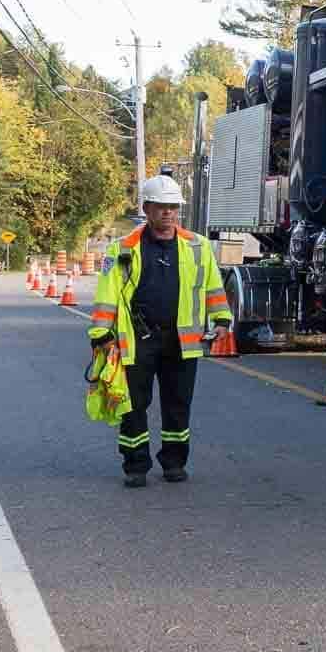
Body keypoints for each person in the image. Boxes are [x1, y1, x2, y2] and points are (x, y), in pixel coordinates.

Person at [87, 175, 232, 487]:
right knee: (133, 405)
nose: (168, 213)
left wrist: (222, 320)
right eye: (161, 207)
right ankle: (136, 465)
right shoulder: (122, 249)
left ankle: (174, 462)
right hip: (137, 340)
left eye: (173, 207)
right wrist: (101, 335)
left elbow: (212, 288)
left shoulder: (198, 246)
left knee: (178, 403)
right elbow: (107, 293)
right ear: (146, 209)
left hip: (182, 341)